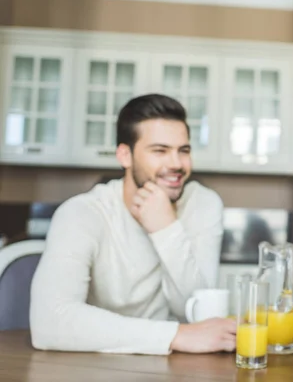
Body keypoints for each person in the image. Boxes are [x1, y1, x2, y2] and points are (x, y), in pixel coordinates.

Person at [30, 94, 236, 355]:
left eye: (183, 150)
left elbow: (197, 311)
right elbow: (49, 323)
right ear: (124, 155)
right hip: (92, 365)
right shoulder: (81, 213)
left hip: (172, 368)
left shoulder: (203, 204)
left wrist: (165, 229)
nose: (176, 164)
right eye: (160, 151)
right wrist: (174, 336)